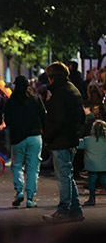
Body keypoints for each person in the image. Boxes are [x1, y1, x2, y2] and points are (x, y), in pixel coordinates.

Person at [42, 61, 86, 223]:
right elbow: (81, 116)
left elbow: (56, 120)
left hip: (61, 140)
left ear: (51, 77)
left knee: (64, 177)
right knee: (68, 176)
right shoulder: (73, 90)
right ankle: (75, 211)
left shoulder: (59, 93)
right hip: (71, 138)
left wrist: (47, 136)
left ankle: (63, 211)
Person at [2, 75, 46, 208]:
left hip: (18, 138)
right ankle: (30, 198)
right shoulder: (36, 99)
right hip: (35, 137)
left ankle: (19, 192)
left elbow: (7, 121)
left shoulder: (11, 102)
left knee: (17, 166)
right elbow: (43, 116)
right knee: (33, 168)